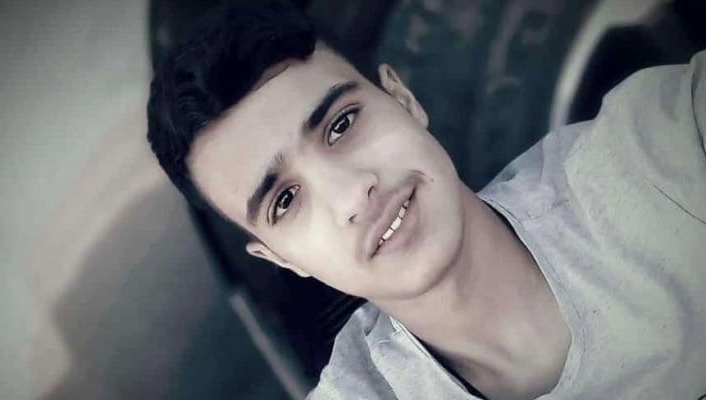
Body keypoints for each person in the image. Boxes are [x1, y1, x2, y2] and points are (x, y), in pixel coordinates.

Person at [146, 1, 706, 399]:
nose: (352, 193)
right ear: (282, 259)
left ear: (404, 99)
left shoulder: (662, 149)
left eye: (341, 124)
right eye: (286, 200)